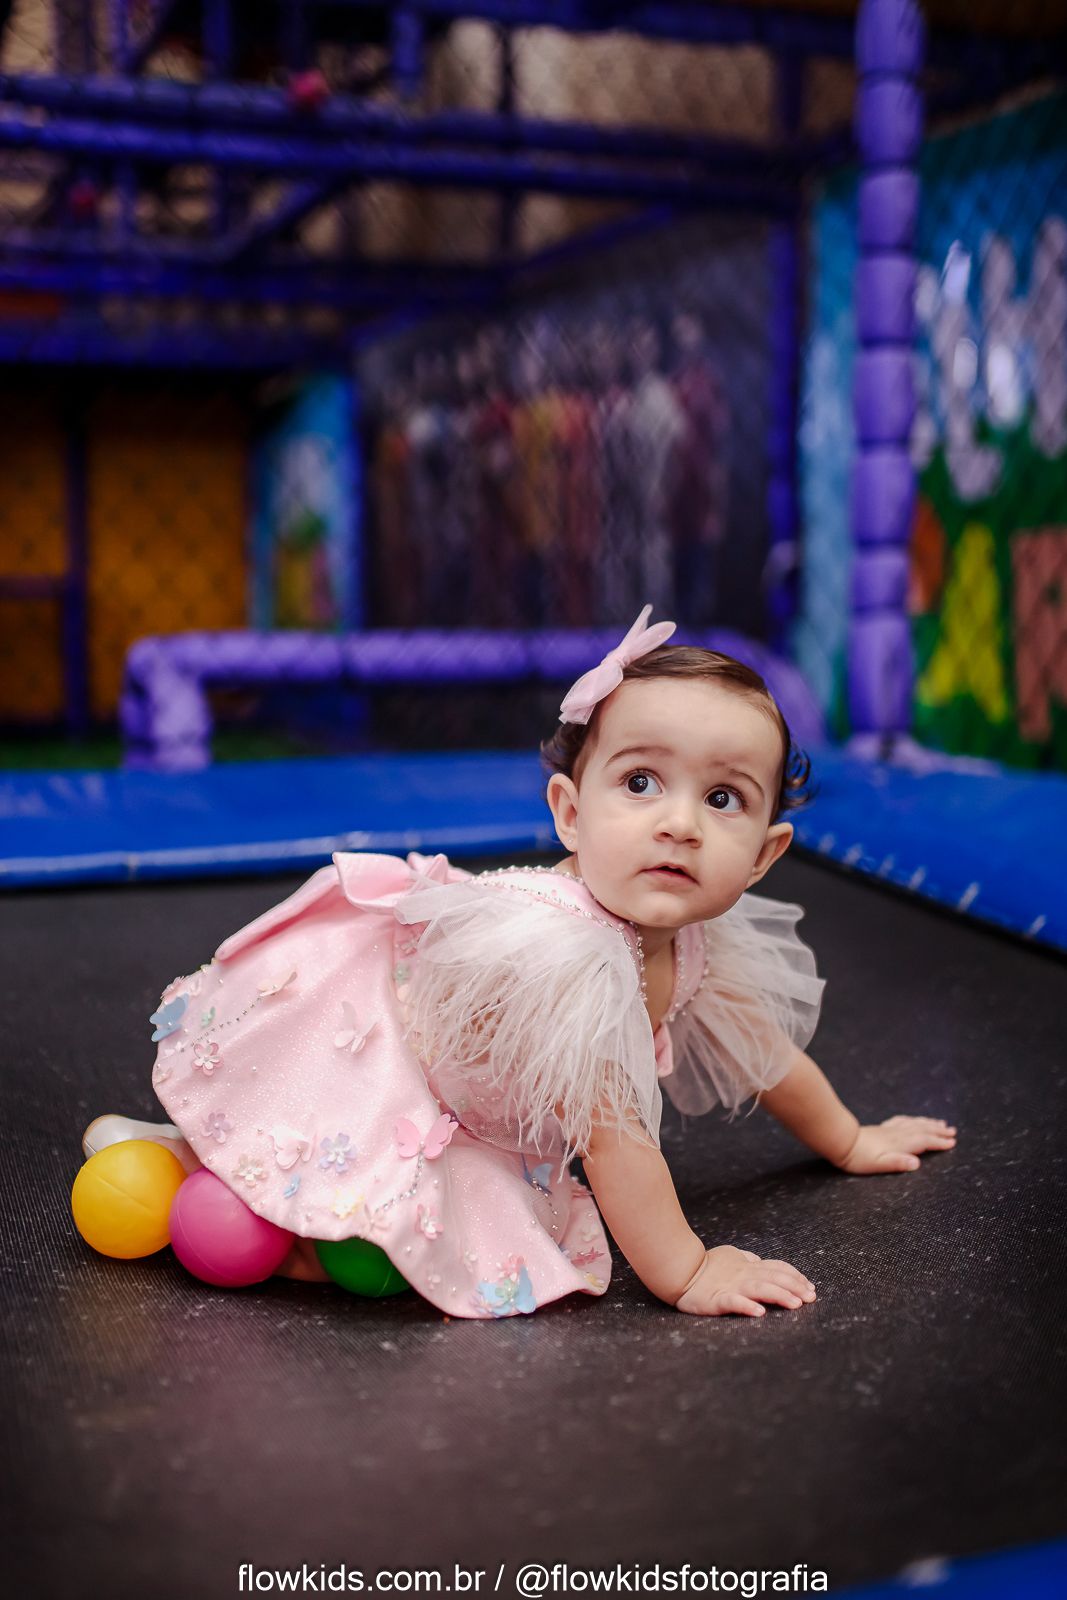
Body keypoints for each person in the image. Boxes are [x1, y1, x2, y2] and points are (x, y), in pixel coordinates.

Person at [83, 609, 955, 1318]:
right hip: (401, 1076)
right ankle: (190, 1162)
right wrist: (687, 1270)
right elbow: (614, 1143)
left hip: (474, 1094)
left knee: (372, 1239)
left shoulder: (693, 939)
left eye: (721, 797)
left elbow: (766, 1052)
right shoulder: (568, 958)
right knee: (350, 1227)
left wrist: (850, 1138)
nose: (679, 823)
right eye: (640, 783)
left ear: (763, 855)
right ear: (569, 812)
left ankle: (180, 1154)